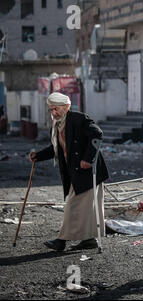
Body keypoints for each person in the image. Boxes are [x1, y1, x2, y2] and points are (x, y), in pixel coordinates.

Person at [29, 92, 109, 251]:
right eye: (51, 110)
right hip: (75, 172)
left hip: (88, 171)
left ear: (66, 107)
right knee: (87, 208)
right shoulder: (58, 124)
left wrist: (88, 158)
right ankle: (89, 240)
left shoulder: (78, 118)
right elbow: (56, 148)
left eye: (56, 109)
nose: (53, 113)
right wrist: (38, 156)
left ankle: (61, 240)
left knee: (73, 205)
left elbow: (97, 134)